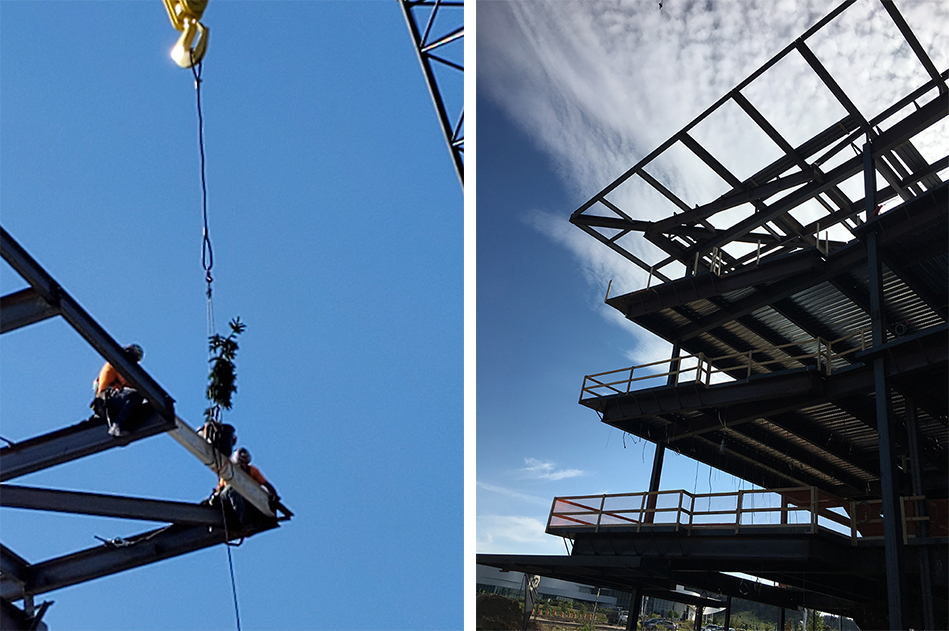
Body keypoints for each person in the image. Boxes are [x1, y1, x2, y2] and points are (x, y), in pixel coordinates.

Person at [211, 447, 279, 528]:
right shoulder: (228, 471)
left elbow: (266, 484)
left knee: (256, 493)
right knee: (232, 489)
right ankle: (242, 520)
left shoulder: (252, 470)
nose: (243, 467)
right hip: (228, 499)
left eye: (244, 464)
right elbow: (220, 489)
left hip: (242, 500)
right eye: (241, 465)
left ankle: (252, 516)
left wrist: (273, 495)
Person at [91, 344, 147, 437]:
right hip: (106, 402)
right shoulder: (116, 364)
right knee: (134, 395)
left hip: (109, 403)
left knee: (138, 397)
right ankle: (117, 426)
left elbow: (134, 386)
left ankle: (124, 424)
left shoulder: (121, 369)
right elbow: (132, 386)